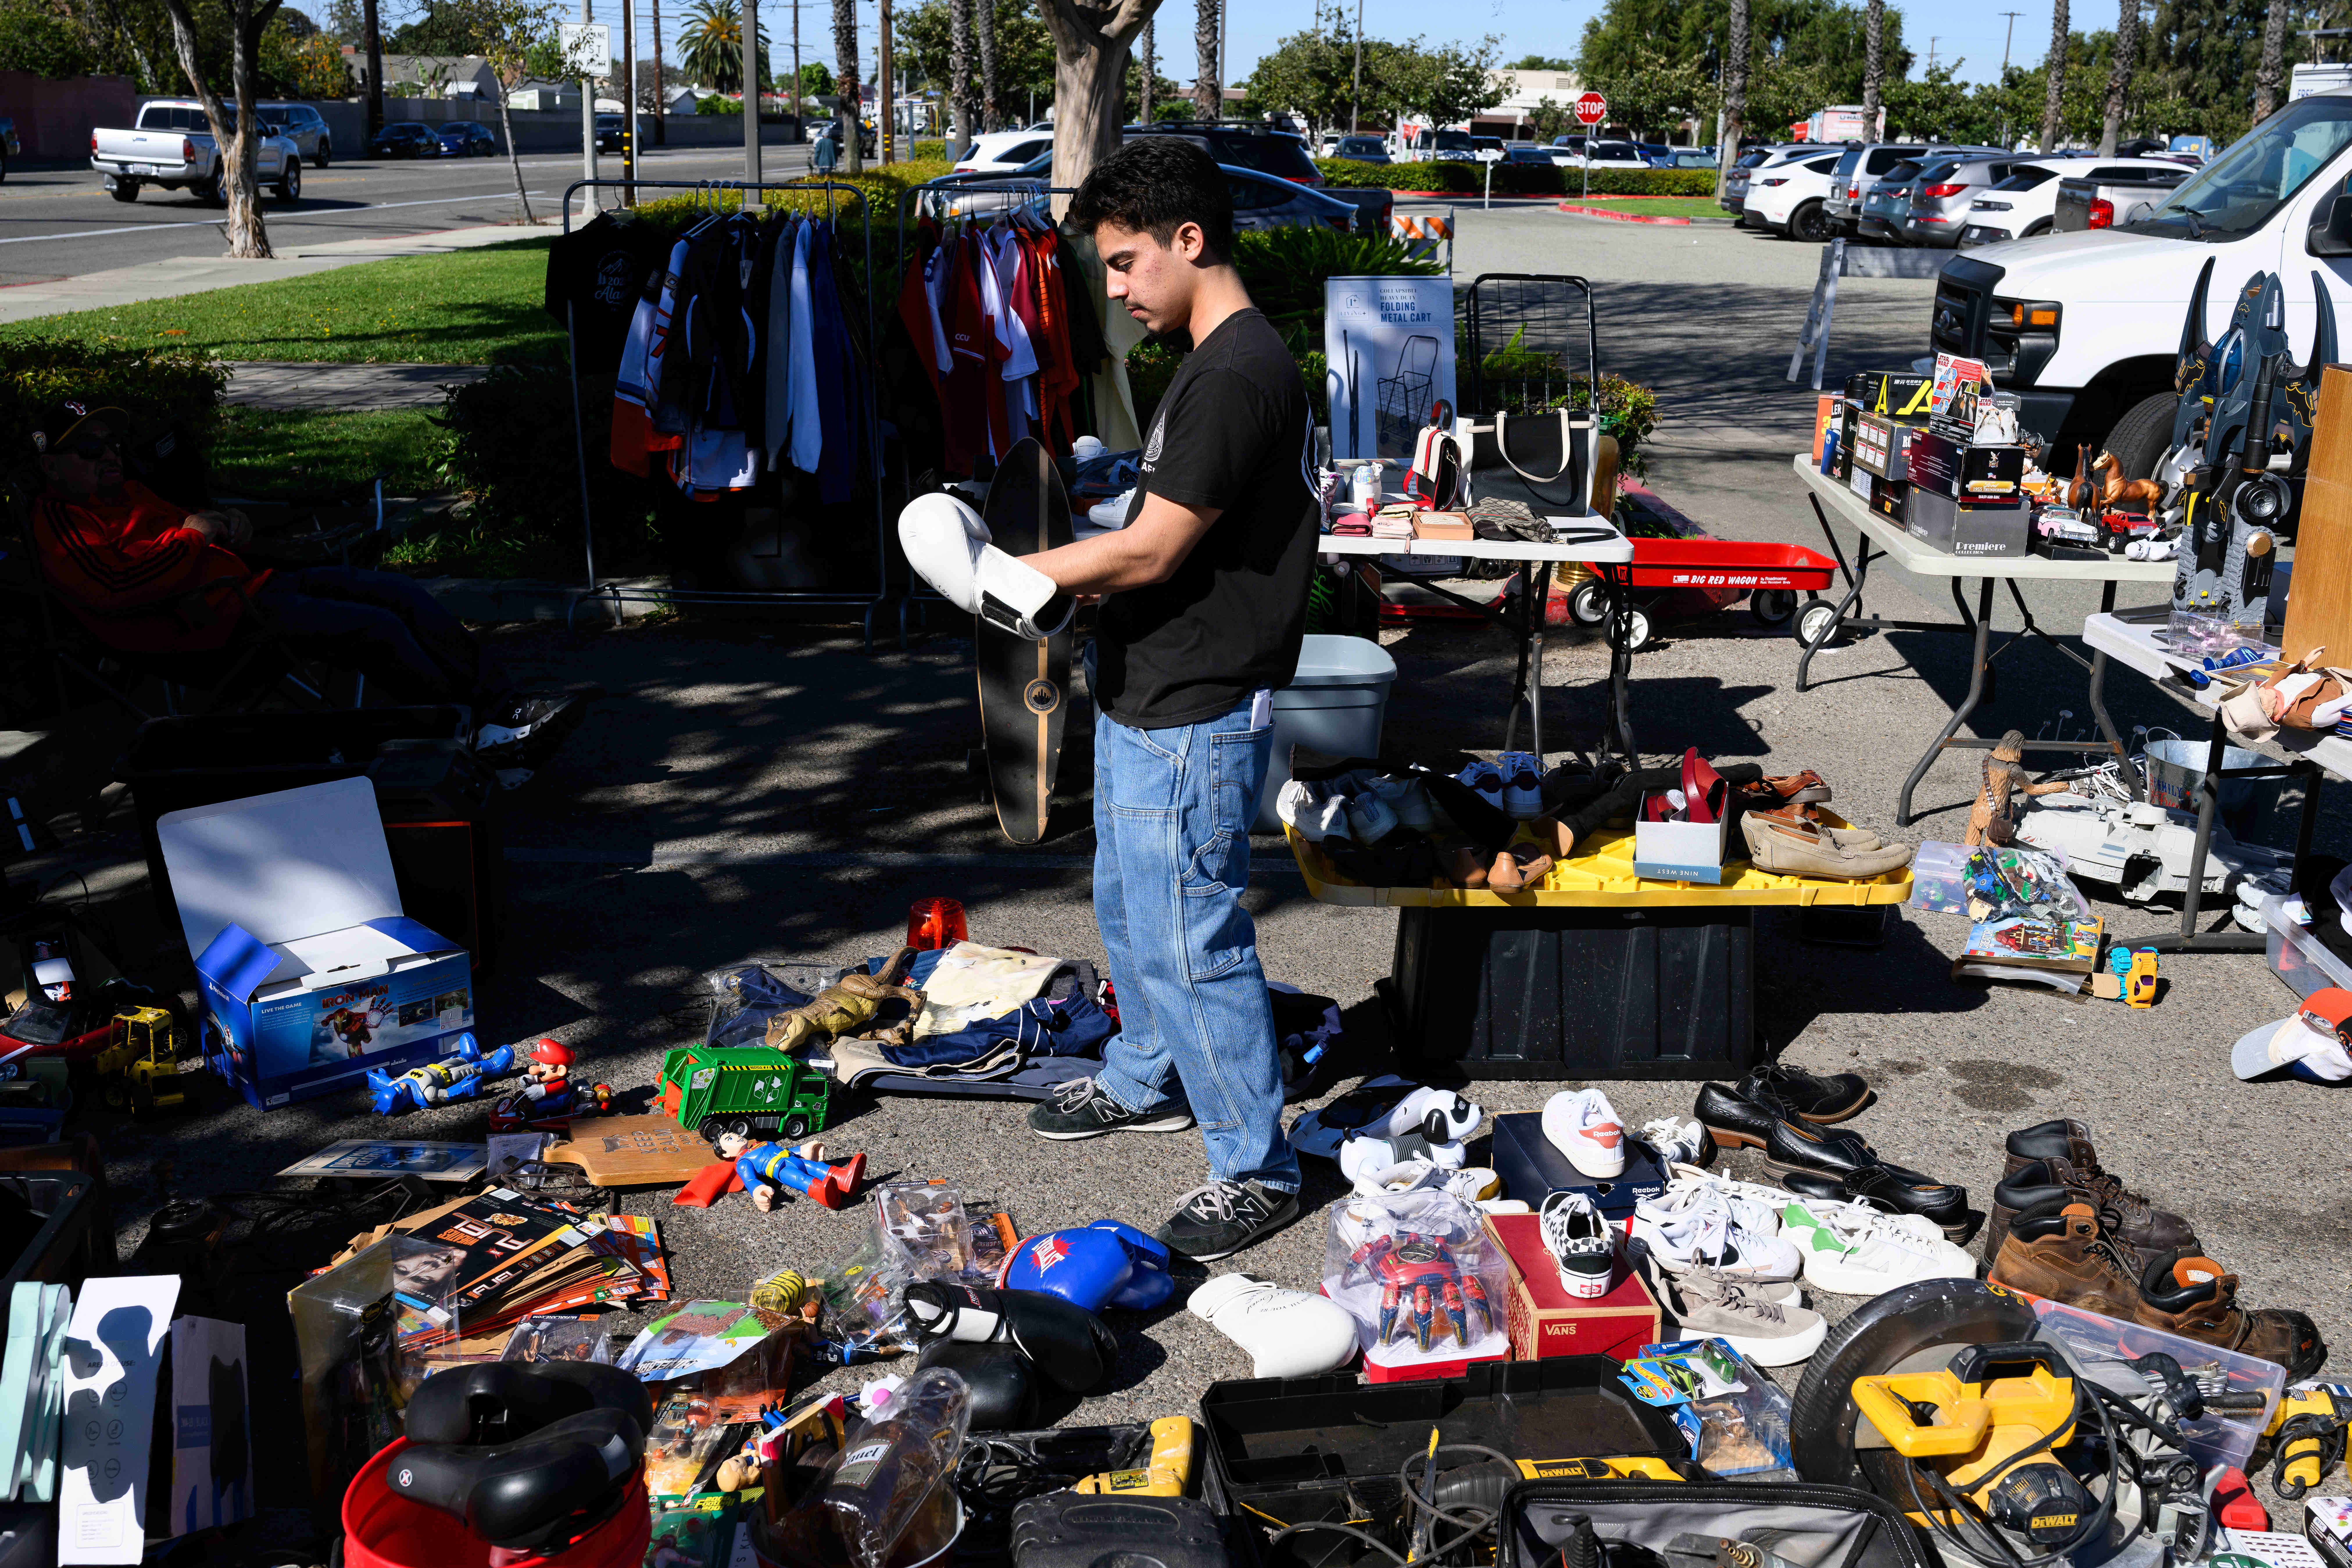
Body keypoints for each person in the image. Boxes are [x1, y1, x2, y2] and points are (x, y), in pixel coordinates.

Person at [897, 138, 1319, 1261]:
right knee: (1133, 916)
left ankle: (1256, 1162)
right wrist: (1081, 511)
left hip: (1194, 701)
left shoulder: (1235, 372)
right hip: (1148, 690)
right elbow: (1157, 515)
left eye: (1128, 263)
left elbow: (1153, 549)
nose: (1118, 288)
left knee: (1192, 939)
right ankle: (1146, 1076)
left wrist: (1005, 575)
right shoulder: (1208, 355)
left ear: (1190, 241)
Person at [25, 398, 576, 757]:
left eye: (114, 446)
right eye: (91, 450)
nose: (111, 456)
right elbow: (118, 587)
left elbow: (187, 536)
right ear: (51, 465)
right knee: (373, 627)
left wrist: (227, 528)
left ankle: (505, 708)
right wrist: (196, 536)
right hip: (204, 634)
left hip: (247, 593)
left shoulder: (130, 494)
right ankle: (467, 733)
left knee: (397, 591)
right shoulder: (59, 519)